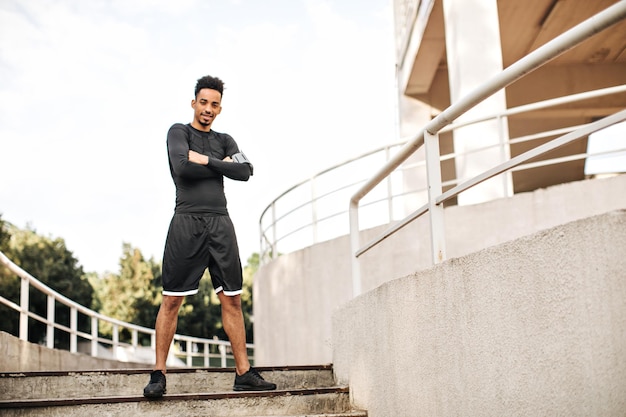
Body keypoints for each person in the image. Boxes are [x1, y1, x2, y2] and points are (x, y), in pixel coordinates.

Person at [143, 75, 276, 398]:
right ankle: (158, 374)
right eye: (203, 102)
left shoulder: (225, 139)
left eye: (214, 104)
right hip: (186, 221)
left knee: (232, 298)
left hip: (220, 223)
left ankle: (243, 373)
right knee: (172, 299)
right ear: (194, 103)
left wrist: (204, 159)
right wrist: (220, 166)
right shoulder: (179, 132)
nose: (208, 109)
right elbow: (182, 168)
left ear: (219, 108)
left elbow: (245, 172)